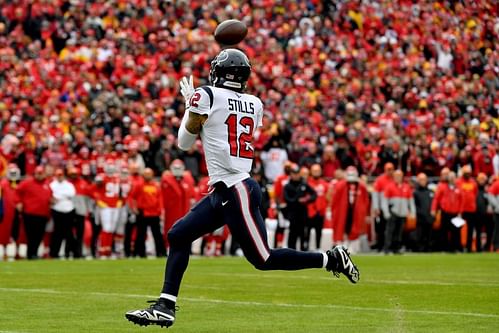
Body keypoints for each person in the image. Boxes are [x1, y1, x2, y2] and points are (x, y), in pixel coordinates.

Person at [125, 49, 359, 328]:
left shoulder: (206, 95)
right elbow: (225, 126)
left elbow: (184, 143)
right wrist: (197, 106)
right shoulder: (255, 102)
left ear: (218, 72)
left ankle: (331, 259)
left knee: (263, 258)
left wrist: (190, 105)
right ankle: (166, 305)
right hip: (225, 189)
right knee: (178, 235)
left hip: (236, 188)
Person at [330, 166, 369, 253]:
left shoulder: (361, 186)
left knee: (355, 228)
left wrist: (364, 212)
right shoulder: (340, 185)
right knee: (341, 227)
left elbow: (365, 200)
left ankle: (352, 245)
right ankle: (341, 245)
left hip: (355, 210)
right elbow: (335, 199)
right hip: (343, 210)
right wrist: (334, 211)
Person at [16, 166, 52, 259]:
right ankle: (30, 253)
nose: (39, 176)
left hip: (43, 214)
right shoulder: (27, 183)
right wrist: (19, 202)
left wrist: (51, 201)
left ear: (44, 174)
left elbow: (50, 196)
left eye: (41, 173)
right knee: (30, 234)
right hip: (29, 213)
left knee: (39, 235)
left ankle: (34, 253)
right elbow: (17, 192)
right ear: (34, 174)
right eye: (37, 173)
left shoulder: (47, 184)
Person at [129, 168, 166, 257]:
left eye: (149, 174)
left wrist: (161, 211)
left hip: (154, 213)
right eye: (146, 174)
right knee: (141, 234)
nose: (147, 176)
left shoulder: (156, 185)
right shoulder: (139, 185)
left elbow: (160, 199)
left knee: (157, 234)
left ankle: (161, 252)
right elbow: (131, 197)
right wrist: (133, 208)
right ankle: (140, 253)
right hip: (142, 212)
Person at [160, 159, 196, 249]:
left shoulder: (188, 179)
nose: (177, 170)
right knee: (170, 227)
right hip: (171, 209)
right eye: (175, 168)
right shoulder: (167, 179)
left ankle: (186, 247)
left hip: (185, 209)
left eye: (179, 168)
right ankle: (168, 247)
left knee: (186, 228)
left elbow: (192, 194)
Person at [381, 170, 416, 254]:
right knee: (390, 231)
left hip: (403, 213)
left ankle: (396, 248)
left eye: (399, 176)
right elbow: (384, 201)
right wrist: (386, 212)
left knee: (399, 232)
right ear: (394, 177)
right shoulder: (389, 187)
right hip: (393, 212)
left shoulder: (406, 187)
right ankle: (387, 248)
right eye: (396, 176)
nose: (398, 178)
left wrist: (412, 212)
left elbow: (411, 201)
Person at [284, 164, 317, 250]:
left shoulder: (304, 184)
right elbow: (287, 199)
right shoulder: (288, 186)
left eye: (297, 173)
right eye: (293, 173)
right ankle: (291, 252)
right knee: (292, 235)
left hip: (303, 214)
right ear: (291, 174)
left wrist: (307, 199)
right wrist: (297, 200)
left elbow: (314, 194)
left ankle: (304, 252)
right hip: (293, 214)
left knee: (303, 234)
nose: (295, 175)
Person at [431, 171, 464, 252]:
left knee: (456, 232)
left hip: (455, 213)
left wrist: (460, 212)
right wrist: (433, 209)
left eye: (453, 177)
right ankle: (444, 248)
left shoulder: (459, 188)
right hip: (445, 212)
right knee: (444, 231)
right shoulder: (442, 187)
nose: (452, 179)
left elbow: (462, 201)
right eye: (450, 177)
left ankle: (455, 248)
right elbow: (436, 199)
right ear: (448, 178)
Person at [49, 168, 77, 258]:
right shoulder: (52, 184)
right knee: (57, 232)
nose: (59, 177)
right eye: (58, 175)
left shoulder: (69, 184)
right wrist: (63, 196)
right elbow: (51, 195)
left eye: (61, 175)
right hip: (57, 210)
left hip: (69, 210)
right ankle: (54, 253)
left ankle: (70, 252)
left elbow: (72, 194)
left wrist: (59, 196)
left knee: (69, 233)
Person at [0, 164, 23, 260]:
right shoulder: (3, 184)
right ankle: (5, 252)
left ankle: (17, 252)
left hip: (19, 210)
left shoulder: (21, 183)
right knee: (5, 231)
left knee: (18, 231)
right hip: (7, 210)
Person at [371, 162, 395, 251]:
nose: (390, 171)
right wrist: (376, 207)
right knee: (381, 228)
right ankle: (380, 245)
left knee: (391, 228)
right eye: (388, 169)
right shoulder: (380, 180)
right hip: (382, 207)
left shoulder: (394, 179)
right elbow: (375, 195)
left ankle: (390, 246)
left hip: (392, 207)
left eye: (391, 169)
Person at [306, 164, 329, 250]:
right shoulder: (307, 182)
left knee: (319, 231)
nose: (316, 172)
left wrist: (324, 206)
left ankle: (318, 247)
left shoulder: (324, 184)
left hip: (320, 211)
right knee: (307, 231)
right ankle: (306, 247)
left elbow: (328, 197)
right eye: (314, 171)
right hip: (309, 211)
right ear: (311, 172)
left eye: (318, 171)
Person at [456, 165, 478, 252]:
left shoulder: (473, 182)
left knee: (470, 229)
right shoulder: (458, 182)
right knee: (459, 229)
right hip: (461, 210)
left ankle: (469, 247)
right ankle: (460, 247)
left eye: (469, 173)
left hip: (471, 209)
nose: (467, 174)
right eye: (466, 173)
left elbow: (475, 194)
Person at [413, 173, 434, 252]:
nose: (423, 181)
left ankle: (429, 248)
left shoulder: (430, 192)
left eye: (424, 179)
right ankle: (420, 249)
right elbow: (414, 206)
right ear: (418, 181)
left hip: (429, 217)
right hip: (420, 218)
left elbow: (433, 204)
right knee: (420, 234)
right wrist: (421, 213)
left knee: (429, 235)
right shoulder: (415, 192)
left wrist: (432, 214)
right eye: (421, 180)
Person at [487, 176, 499, 252]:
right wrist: (497, 206)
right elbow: (490, 195)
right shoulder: (497, 184)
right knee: (498, 229)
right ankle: (497, 246)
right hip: (498, 212)